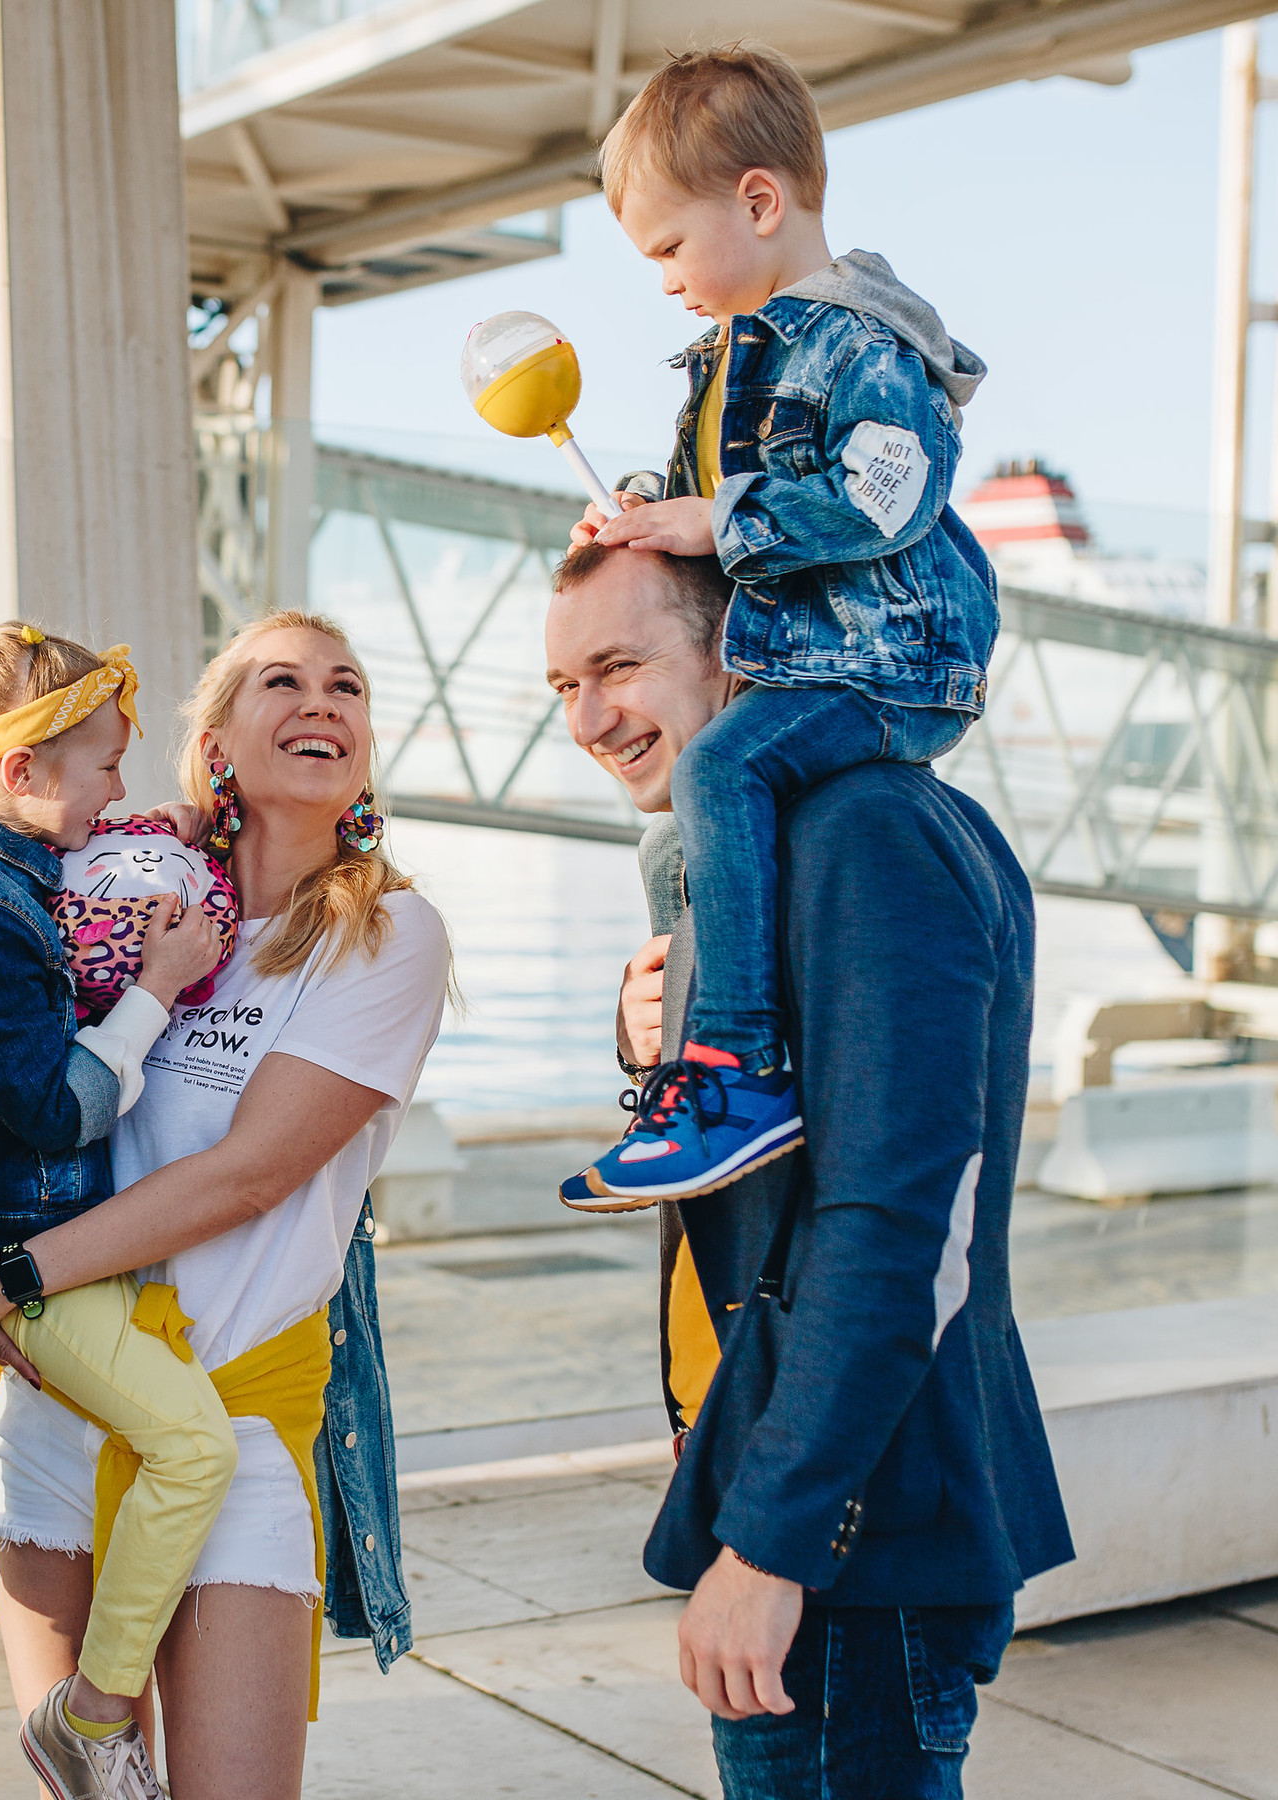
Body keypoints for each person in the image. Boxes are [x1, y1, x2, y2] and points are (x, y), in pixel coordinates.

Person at [544, 543, 1073, 1799]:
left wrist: (776, 1545)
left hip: (855, 1536)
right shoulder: (761, 855)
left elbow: (903, 1227)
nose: (588, 720)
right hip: (794, 1492)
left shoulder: (869, 830)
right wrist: (651, 1046)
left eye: (619, 666)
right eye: (562, 686)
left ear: (754, 648)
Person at [0, 610, 451, 1800]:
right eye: (282, 681)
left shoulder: (385, 934)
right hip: (55, 1403)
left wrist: (6, 1278)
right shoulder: (106, 897)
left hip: (235, 1417)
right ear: (213, 739)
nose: (322, 702)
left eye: (347, 687)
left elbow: (251, 1174)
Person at [566, 43, 999, 1203]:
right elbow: (692, 492)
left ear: (759, 202)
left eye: (667, 247)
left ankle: (743, 1071)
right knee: (672, 843)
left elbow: (888, 493)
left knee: (716, 774)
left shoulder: (867, 341)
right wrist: (645, 515)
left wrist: (725, 520)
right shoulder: (724, 363)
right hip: (799, 660)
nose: (661, 280)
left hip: (884, 661)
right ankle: (682, 1066)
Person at [0, 623, 238, 1800]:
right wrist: (158, 989)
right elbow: (54, 1106)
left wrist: (176, 830)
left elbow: (119, 841)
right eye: (105, 768)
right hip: (17, 1250)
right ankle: (89, 1716)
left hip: (41, 1241)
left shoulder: (3, 864)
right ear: (23, 774)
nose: (124, 792)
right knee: (192, 1446)